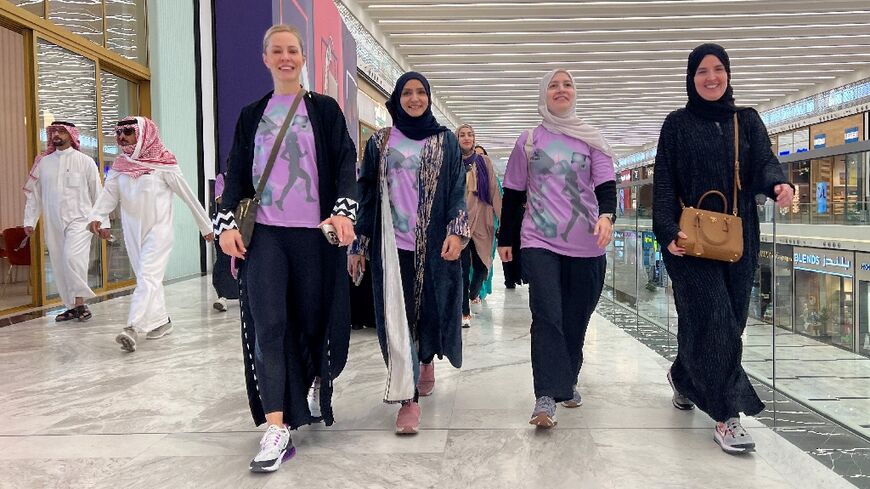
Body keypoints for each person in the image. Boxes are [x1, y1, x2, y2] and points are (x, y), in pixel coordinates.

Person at [215, 24, 357, 473]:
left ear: (303, 57)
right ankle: (276, 426)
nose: (285, 57)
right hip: (267, 237)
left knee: (315, 322)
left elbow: (344, 164)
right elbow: (235, 173)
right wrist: (224, 227)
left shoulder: (326, 110)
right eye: (276, 50)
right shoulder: (252, 113)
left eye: (292, 50)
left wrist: (344, 213)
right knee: (268, 326)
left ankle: (313, 382)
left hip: (314, 236)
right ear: (265, 58)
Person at [652, 43, 794, 454]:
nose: (711, 78)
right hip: (690, 241)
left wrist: (777, 183)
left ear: (728, 74)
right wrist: (666, 233)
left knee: (730, 320)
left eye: (718, 70)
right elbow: (664, 184)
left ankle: (683, 376)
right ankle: (726, 416)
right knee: (714, 320)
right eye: (702, 71)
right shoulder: (676, 125)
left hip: (738, 237)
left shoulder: (745, 121)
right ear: (691, 78)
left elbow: (765, 161)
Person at [348, 71, 468, 434]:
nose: (414, 99)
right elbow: (366, 196)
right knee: (394, 320)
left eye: (421, 93)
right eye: (407, 93)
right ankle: (407, 397)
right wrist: (359, 245)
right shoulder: (380, 143)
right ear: (396, 99)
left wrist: (457, 232)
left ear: (428, 98)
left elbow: (456, 190)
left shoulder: (446, 141)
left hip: (433, 247)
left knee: (430, 311)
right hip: (391, 247)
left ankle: (426, 357)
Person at [498, 69, 616, 429]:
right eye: (553, 85)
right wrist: (506, 239)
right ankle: (546, 395)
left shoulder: (591, 139)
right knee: (547, 314)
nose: (561, 90)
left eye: (567, 85)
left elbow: (607, 184)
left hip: (587, 244)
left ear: (575, 93)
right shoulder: (529, 140)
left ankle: (567, 380)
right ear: (543, 94)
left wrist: (608, 217)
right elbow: (515, 192)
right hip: (540, 240)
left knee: (576, 319)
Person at [88, 116, 214, 351]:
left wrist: (205, 226)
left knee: (147, 278)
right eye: (119, 132)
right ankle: (162, 321)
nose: (122, 136)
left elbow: (188, 196)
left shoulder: (164, 163)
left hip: (159, 231)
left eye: (128, 131)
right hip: (132, 232)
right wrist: (98, 218)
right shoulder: (119, 167)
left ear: (144, 134)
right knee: (148, 280)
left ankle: (132, 327)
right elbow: (108, 197)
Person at [23, 121, 103, 321]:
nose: (56, 135)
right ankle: (72, 306)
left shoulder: (85, 162)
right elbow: (35, 195)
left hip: (80, 221)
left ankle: (80, 303)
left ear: (71, 135)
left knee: (72, 258)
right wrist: (30, 221)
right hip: (53, 222)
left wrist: (102, 221)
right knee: (59, 263)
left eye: (61, 131)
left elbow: (98, 194)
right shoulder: (43, 162)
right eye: (53, 131)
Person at [456, 125, 501, 328]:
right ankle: (464, 311)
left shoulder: (484, 162)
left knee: (482, 267)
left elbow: (493, 191)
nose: (467, 138)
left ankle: (472, 294)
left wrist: (504, 224)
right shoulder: (452, 162)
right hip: (460, 221)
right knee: (463, 268)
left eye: (470, 134)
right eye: (462, 135)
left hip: (483, 220)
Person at [211, 172, 239, 312]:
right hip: (225, 222)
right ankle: (222, 297)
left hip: (245, 221)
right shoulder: (222, 177)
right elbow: (219, 199)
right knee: (223, 260)